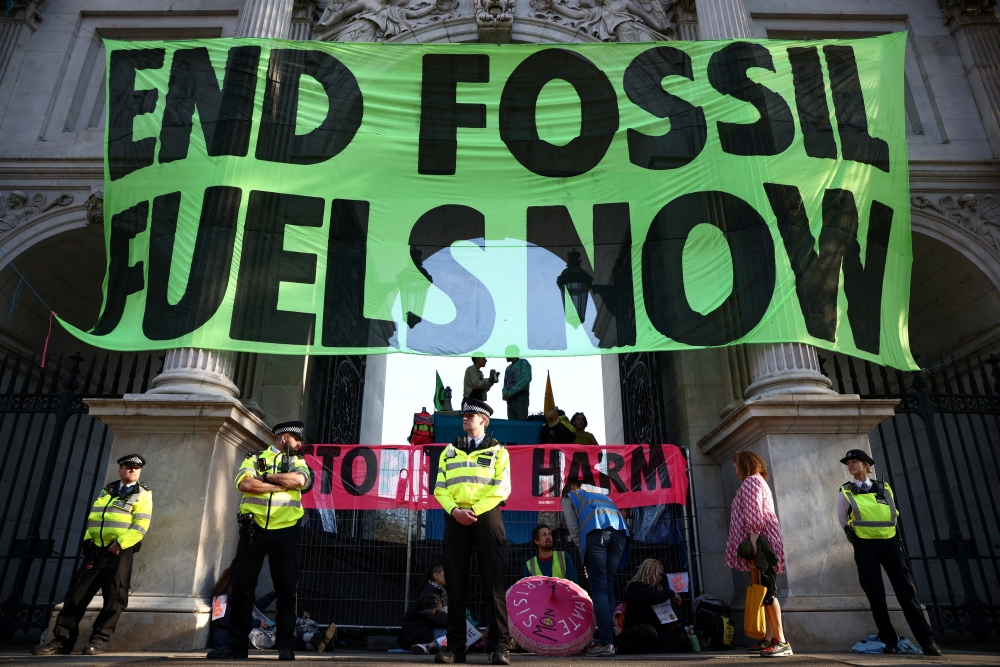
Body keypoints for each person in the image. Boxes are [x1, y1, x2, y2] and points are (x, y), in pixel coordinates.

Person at [207, 422, 313, 661]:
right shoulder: (254, 458)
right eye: (296, 439)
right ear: (284, 438)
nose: (299, 444)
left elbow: (299, 481)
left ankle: (285, 646)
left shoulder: (298, 461)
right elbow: (244, 484)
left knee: (286, 588)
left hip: (286, 530)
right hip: (253, 528)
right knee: (242, 587)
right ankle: (236, 646)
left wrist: (264, 478)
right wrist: (280, 484)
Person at [33, 455, 153, 656]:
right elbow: (95, 518)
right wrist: (88, 539)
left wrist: (120, 543)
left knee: (115, 598)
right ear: (120, 470)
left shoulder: (143, 494)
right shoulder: (108, 490)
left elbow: (141, 525)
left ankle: (98, 641)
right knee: (76, 596)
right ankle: (62, 642)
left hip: (119, 552)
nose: (132, 470)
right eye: (128, 467)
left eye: (136, 468)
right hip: (96, 549)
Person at [838, 449, 942, 656]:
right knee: (876, 594)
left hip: (890, 543)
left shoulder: (883, 488)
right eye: (848, 463)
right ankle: (889, 641)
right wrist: (857, 539)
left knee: (907, 592)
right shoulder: (846, 491)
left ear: (866, 465)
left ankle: (928, 642)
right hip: (864, 546)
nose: (850, 465)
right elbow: (843, 520)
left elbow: (892, 514)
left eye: (855, 461)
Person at [434, 398, 512, 665]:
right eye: (464, 416)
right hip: (455, 516)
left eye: (470, 416)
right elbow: (440, 487)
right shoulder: (449, 450)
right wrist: (455, 511)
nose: (465, 419)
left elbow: (502, 488)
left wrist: (474, 510)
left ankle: (499, 647)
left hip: (487, 516)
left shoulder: (499, 451)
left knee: (494, 581)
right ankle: (455, 647)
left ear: (484, 420)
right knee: (455, 582)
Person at [725, 451, 790, 657]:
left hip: (761, 543)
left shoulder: (751, 482)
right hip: (764, 541)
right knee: (764, 590)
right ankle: (769, 639)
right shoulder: (758, 481)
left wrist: (752, 541)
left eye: (737, 466)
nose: (736, 470)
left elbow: (755, 514)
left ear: (744, 464)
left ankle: (781, 641)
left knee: (768, 591)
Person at [561, 481, 628, 656]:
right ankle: (610, 640)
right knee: (608, 587)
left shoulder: (568, 498)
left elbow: (574, 529)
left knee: (599, 588)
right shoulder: (597, 496)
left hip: (595, 533)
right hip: (620, 533)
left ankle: (604, 642)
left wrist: (583, 552)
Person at [616, 559, 689, 654]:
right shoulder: (635, 586)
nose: (661, 578)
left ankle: (646, 649)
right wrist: (671, 594)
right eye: (659, 574)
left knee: (679, 639)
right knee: (647, 633)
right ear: (651, 573)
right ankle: (626, 645)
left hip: (655, 632)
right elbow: (651, 597)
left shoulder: (657, 589)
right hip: (639, 628)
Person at [401, 564, 450, 655]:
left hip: (429, 631)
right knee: (458, 635)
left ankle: (431, 646)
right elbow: (441, 617)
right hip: (422, 634)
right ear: (436, 575)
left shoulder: (441, 592)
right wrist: (459, 621)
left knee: (460, 636)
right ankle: (427, 646)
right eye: (447, 573)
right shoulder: (430, 596)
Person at [501, 348, 531, 421]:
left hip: (520, 396)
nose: (505, 356)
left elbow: (526, 379)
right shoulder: (508, 368)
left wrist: (511, 392)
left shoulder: (523, 362)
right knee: (512, 424)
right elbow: (505, 384)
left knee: (521, 422)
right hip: (510, 399)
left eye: (507, 353)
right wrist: (505, 394)